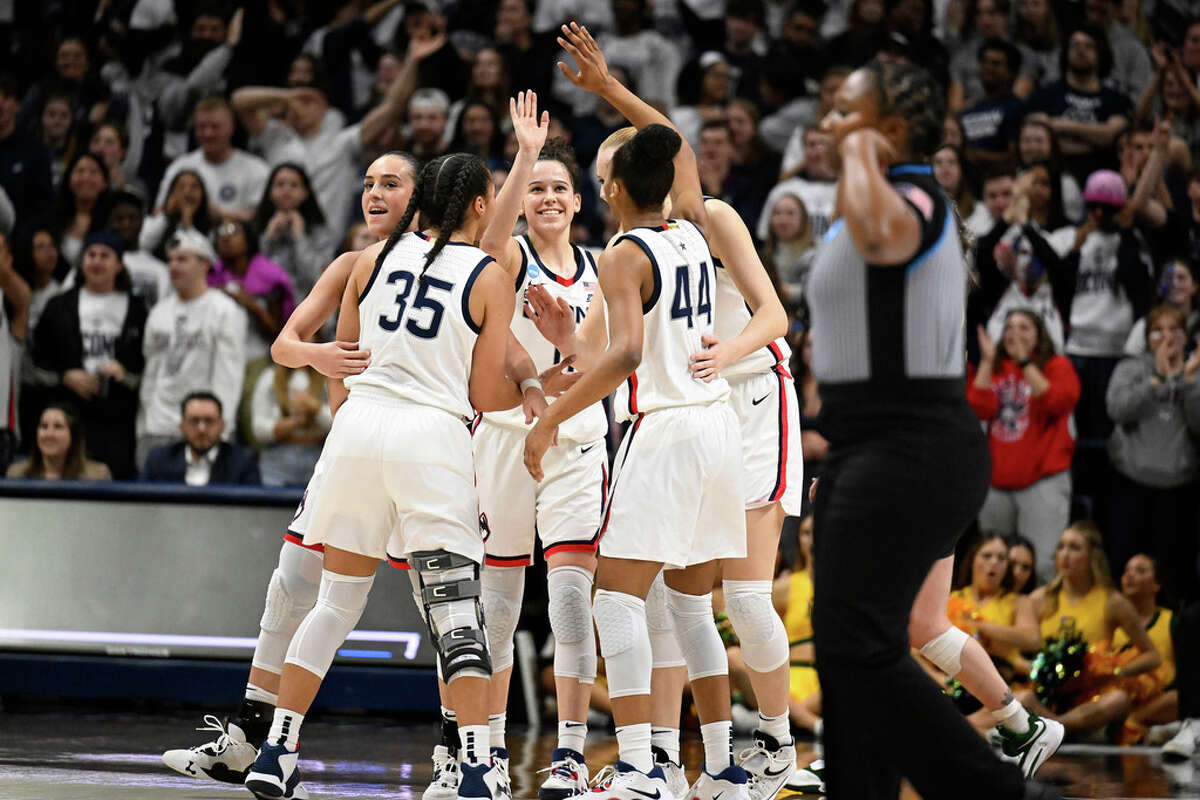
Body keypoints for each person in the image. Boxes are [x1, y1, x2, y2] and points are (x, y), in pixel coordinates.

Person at [804, 58, 1055, 798]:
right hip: (873, 448)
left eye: (844, 112)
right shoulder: (883, 196)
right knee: (853, 648)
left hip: (908, 445)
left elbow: (879, 231)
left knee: (857, 647)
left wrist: (859, 148)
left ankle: (990, 786)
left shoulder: (910, 198)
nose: (828, 126)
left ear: (888, 128)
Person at [243, 151, 525, 800]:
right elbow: (485, 391)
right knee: (457, 615)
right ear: (481, 206)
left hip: (358, 430)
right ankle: (477, 766)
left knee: (335, 603)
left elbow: (343, 363)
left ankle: (276, 751)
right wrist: (540, 393)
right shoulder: (488, 273)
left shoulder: (367, 262)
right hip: (430, 436)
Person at [525, 24, 749, 800]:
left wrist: (550, 420)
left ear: (614, 185)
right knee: (690, 606)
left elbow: (621, 358)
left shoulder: (623, 253)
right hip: (719, 429)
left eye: (596, 173)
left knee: (615, 598)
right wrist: (609, 86)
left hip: (670, 430)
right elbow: (675, 141)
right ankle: (718, 769)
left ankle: (641, 767)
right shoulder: (689, 226)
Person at [161, 151, 422, 797]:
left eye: (391, 183)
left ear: (421, 197)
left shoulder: (449, 261)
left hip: (424, 452)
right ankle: (255, 737)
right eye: (366, 184)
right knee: (293, 583)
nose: (374, 193)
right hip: (351, 449)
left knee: (448, 608)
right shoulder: (352, 262)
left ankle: (464, 752)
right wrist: (320, 353)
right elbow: (283, 344)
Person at [469, 97, 605, 800]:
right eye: (536, 190)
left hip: (578, 440)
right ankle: (487, 753)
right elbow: (485, 243)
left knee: (572, 600)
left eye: (558, 187)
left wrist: (567, 350)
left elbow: (617, 361)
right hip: (505, 437)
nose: (547, 198)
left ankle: (572, 756)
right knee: (497, 601)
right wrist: (525, 155)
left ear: (579, 202)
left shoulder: (606, 266)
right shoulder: (511, 254)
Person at [1016, 522, 1162, 739]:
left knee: (1119, 700)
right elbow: (1016, 655)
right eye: (1061, 547)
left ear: (1092, 556)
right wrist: (1038, 670)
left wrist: (1113, 673)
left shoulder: (1112, 601)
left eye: (1074, 548)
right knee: (1022, 698)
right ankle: (1056, 727)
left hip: (1091, 697)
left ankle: (1053, 728)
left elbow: (1153, 657)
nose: (1065, 554)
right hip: (1046, 693)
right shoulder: (1039, 598)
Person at [968, 311, 1080, 580]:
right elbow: (976, 409)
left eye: (1024, 328)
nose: (1013, 334)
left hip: (1042, 483)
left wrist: (1025, 362)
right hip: (996, 485)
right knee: (994, 569)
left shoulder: (1057, 366)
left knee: (1041, 567)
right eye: (1008, 328)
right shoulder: (994, 369)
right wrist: (985, 362)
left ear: (1039, 335)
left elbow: (1055, 402)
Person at [1104, 304, 1200, 607]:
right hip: (1131, 486)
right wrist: (1156, 378)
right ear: (1147, 337)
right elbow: (1118, 411)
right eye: (1158, 330)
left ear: (1186, 336)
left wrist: (1189, 383)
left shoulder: (1195, 370)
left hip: (1178, 491)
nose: (1167, 337)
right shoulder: (1131, 368)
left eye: (1175, 330)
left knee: (1174, 575)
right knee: (1124, 567)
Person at [32, 231, 146, 479]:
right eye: (91, 255)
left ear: (118, 265)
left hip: (117, 421)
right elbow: (34, 366)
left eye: (105, 256)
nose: (96, 261)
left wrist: (124, 374)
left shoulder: (138, 310)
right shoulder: (59, 306)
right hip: (69, 415)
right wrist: (65, 377)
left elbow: (147, 369)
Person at [137, 230, 246, 468]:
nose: (174, 266)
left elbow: (229, 375)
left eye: (182, 259)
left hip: (202, 428)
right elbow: (151, 374)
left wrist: (222, 428)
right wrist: (143, 424)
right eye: (171, 260)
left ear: (204, 264)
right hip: (157, 426)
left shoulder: (224, 310)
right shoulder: (159, 312)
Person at [1025, 26, 1132, 183]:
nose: (1081, 50)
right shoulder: (1045, 95)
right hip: (1053, 178)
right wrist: (1093, 141)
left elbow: (1110, 135)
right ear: (1066, 52)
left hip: (1103, 179)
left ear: (1100, 55)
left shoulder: (1115, 99)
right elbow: (1034, 139)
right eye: (1075, 45)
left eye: (1089, 46)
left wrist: (1062, 126)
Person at [945, 534, 1043, 705]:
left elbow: (1033, 639)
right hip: (950, 683)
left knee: (1025, 699)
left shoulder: (1018, 601)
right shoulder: (952, 597)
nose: (994, 562)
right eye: (987, 556)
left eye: (1001, 558)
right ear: (973, 560)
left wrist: (981, 626)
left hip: (1001, 687)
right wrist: (941, 680)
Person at [153, 96, 270, 221]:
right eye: (201, 127)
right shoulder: (179, 167)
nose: (208, 133)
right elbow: (158, 212)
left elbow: (261, 219)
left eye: (215, 127)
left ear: (232, 127)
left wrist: (217, 214)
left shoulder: (257, 169)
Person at [1112, 554, 1177, 744]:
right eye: (1127, 571)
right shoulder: (1111, 624)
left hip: (1160, 704)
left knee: (1179, 698)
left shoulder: (1172, 621)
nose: (1130, 576)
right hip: (1118, 701)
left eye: (1140, 571)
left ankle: (1133, 722)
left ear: (1156, 585)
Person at [210, 218, 296, 361]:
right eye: (221, 233)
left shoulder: (270, 276)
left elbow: (279, 332)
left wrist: (251, 305)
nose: (226, 237)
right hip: (217, 357)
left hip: (259, 357)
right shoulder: (209, 277)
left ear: (248, 238)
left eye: (234, 231)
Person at [254, 163, 338, 300]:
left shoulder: (321, 232)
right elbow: (254, 276)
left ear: (305, 193)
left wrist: (299, 237)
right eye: (280, 184)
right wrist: (268, 238)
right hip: (270, 307)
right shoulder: (256, 228)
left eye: (294, 185)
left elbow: (318, 277)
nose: (286, 191)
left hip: (310, 304)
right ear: (270, 191)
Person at [142, 391, 261, 486]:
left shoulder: (243, 462)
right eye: (194, 421)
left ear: (222, 426)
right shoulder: (159, 460)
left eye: (209, 421)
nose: (201, 429)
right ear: (182, 426)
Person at [6, 403, 110, 480]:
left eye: (58, 427)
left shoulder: (97, 476)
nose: (49, 434)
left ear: (73, 436)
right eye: (44, 426)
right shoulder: (16, 474)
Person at [140, 170, 216, 261]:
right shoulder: (157, 221)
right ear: (172, 194)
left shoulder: (212, 228)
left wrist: (188, 225)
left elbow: (211, 261)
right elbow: (143, 246)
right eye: (181, 187)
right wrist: (166, 215)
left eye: (194, 187)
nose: (187, 192)